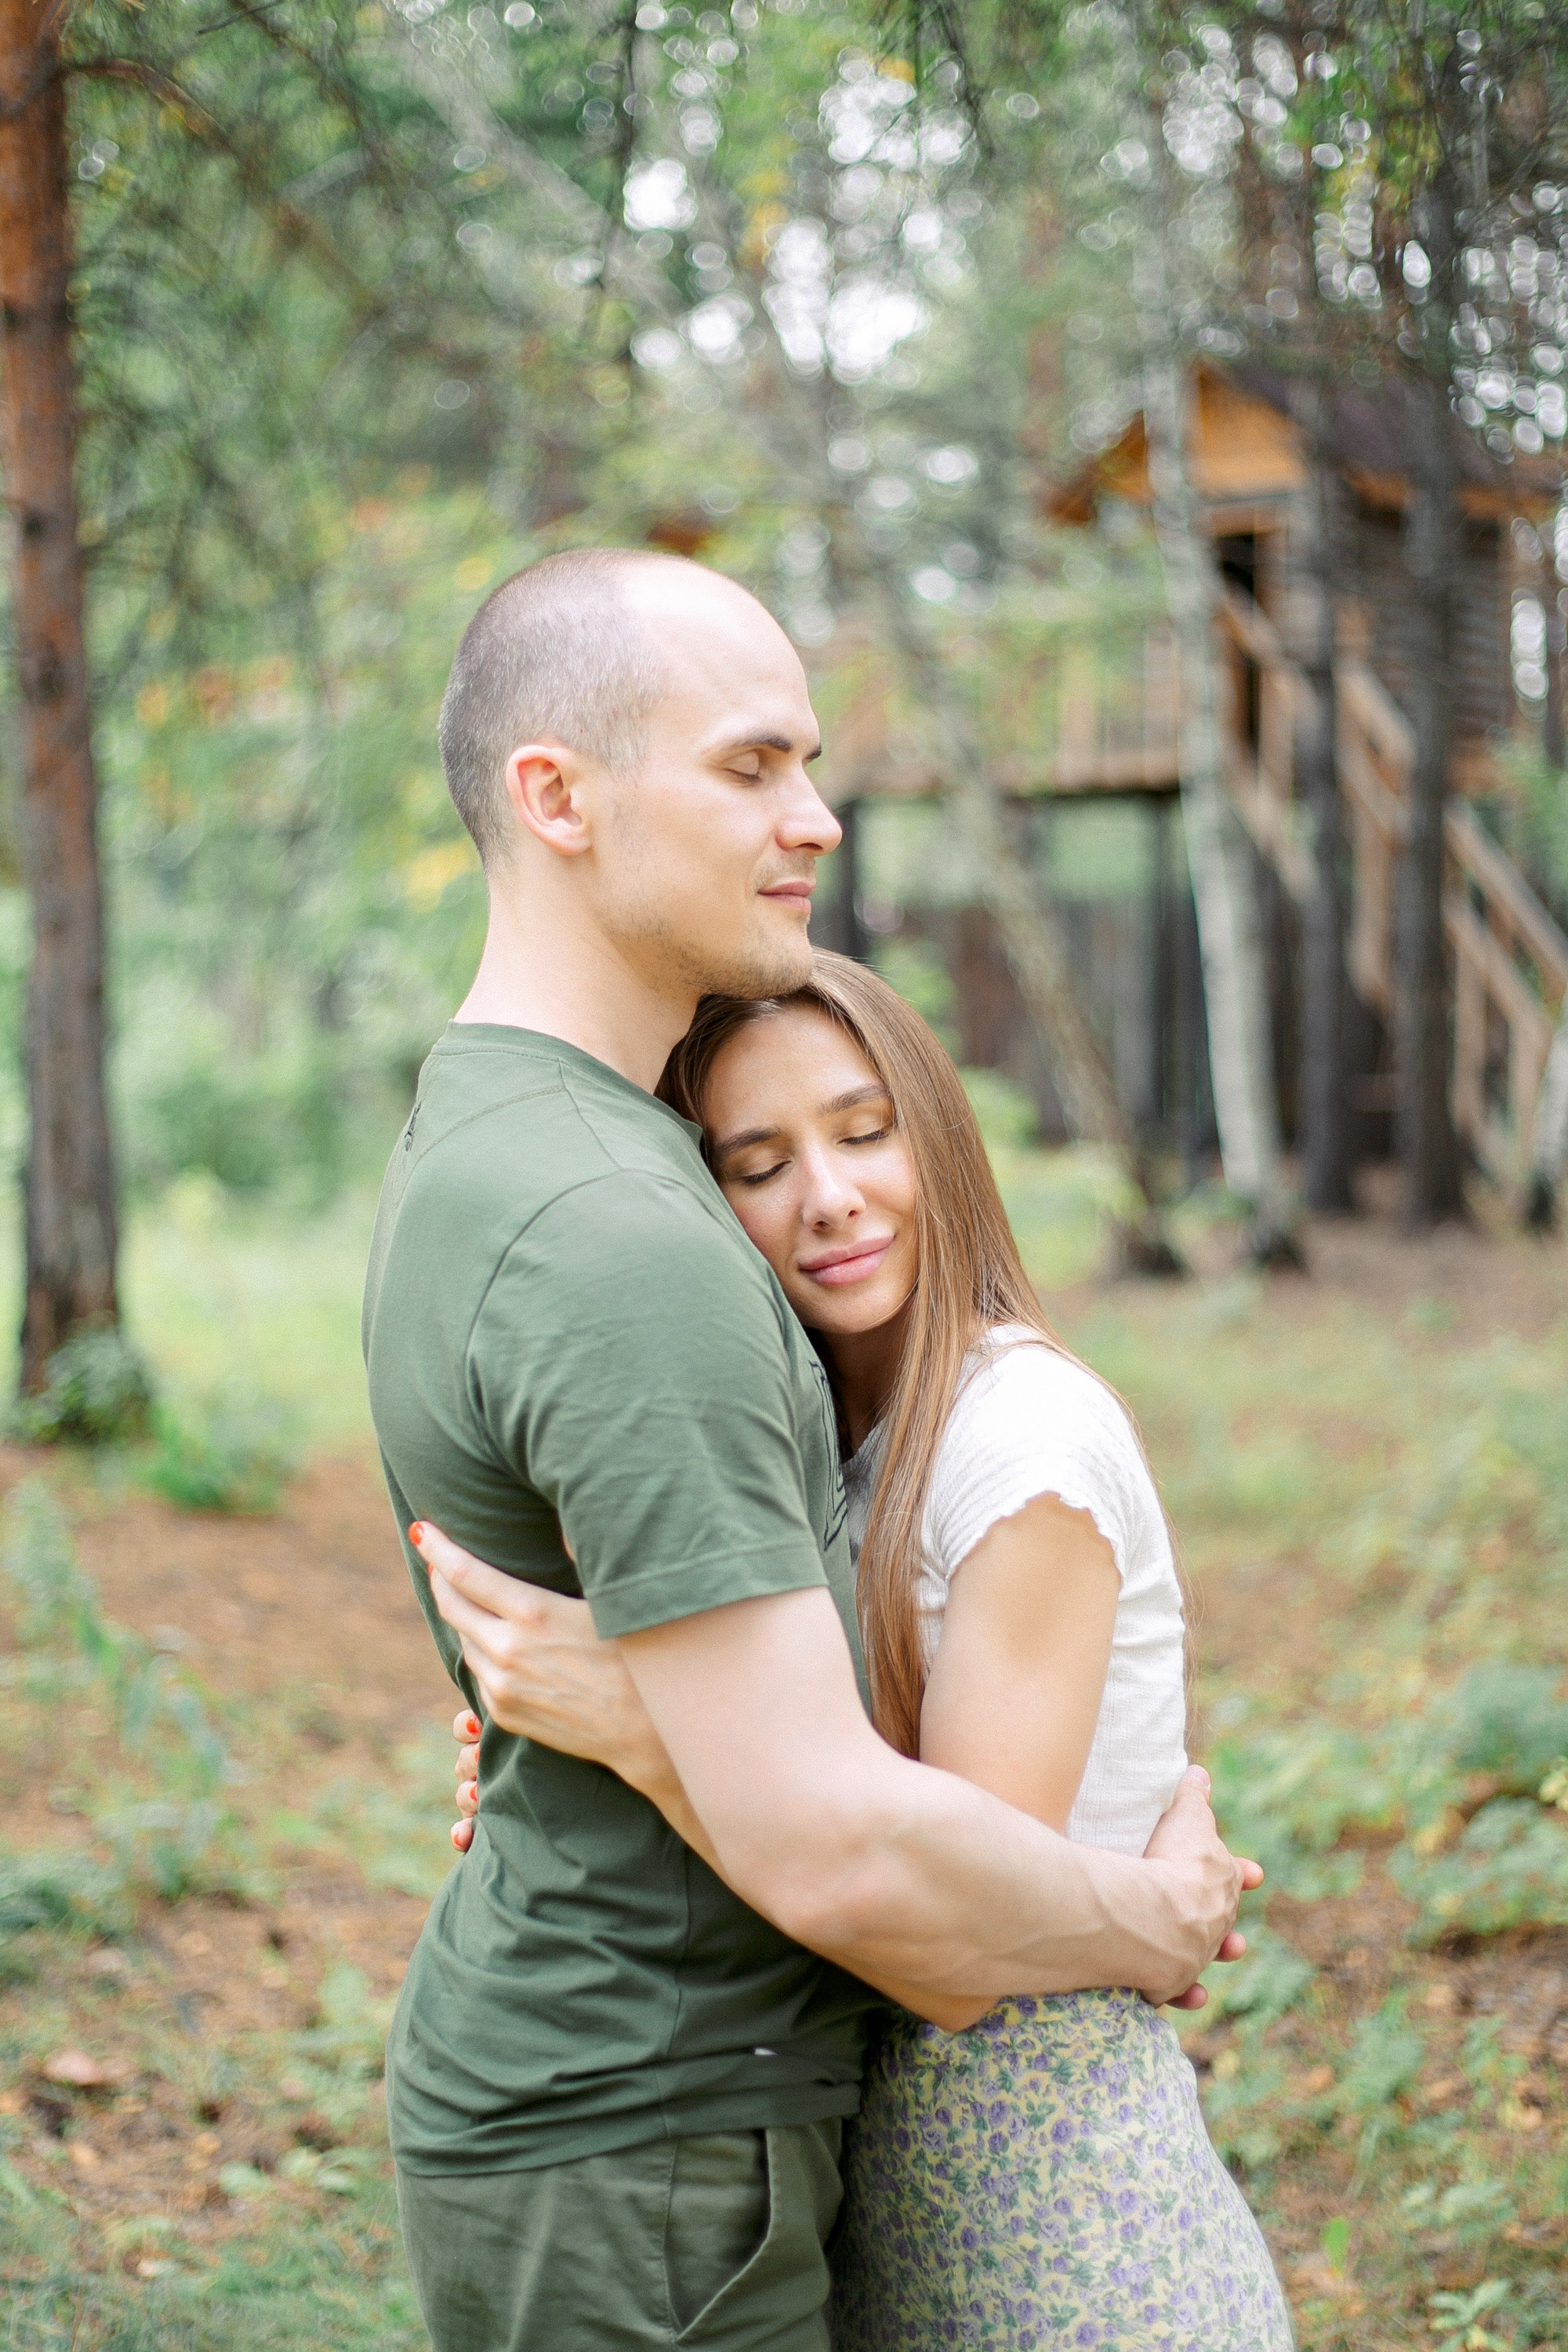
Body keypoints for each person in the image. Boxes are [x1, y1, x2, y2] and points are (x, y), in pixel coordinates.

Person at [363, 547, 1254, 2352]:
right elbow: (845, 1856)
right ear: (557, 797)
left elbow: (812, 1766)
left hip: (709, 2110)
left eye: (810, 764)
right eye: (750, 764)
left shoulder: (506, 1138)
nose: (819, 818)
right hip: (649, 2129)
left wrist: (643, 1716)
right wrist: (1150, 1918)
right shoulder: (620, 1235)